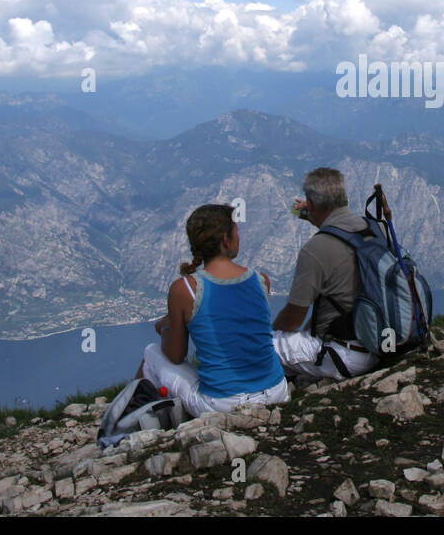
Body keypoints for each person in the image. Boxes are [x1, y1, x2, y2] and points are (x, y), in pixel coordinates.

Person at [137, 204, 289, 417]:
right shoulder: (261, 280)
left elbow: (176, 355)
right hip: (277, 391)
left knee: (151, 352)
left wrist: (164, 328)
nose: (239, 238)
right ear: (226, 240)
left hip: (223, 404)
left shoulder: (185, 289)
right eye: (236, 233)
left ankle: (133, 417)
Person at [271, 167, 380, 379]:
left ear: (311, 204)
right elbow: (336, 225)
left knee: (257, 345)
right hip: (380, 343)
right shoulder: (373, 228)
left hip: (343, 355)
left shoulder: (316, 250)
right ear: (343, 197)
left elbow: (293, 319)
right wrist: (308, 211)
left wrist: (273, 331)